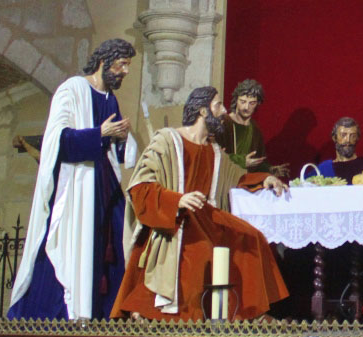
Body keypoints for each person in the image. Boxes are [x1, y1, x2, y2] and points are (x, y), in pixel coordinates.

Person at [111, 86, 289, 320]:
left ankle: (248, 313)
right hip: (174, 219)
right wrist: (178, 200)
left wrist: (264, 179)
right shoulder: (167, 140)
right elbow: (140, 187)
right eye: (218, 105)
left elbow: (236, 176)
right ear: (203, 111)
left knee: (250, 236)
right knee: (201, 249)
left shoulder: (214, 151)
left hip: (206, 216)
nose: (224, 111)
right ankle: (167, 313)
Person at [8, 38, 137, 320]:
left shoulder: (110, 99)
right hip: (78, 188)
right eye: (121, 64)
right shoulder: (72, 89)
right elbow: (57, 141)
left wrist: (120, 138)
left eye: (127, 65)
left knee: (112, 249)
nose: (125, 71)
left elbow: (114, 153)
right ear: (104, 61)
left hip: (104, 189)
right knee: (71, 252)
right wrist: (99, 134)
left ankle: (106, 318)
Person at [218, 78, 288, 178]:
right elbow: (215, 155)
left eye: (252, 103)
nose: (246, 107)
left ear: (258, 103)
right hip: (226, 178)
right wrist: (242, 161)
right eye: (243, 101)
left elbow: (258, 161)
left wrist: (270, 169)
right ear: (236, 100)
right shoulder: (224, 123)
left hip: (246, 180)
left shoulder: (255, 129)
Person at [316, 117, 363, 182]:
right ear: (334, 137)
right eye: (343, 135)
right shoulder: (324, 168)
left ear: (357, 138)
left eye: (353, 136)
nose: (348, 140)